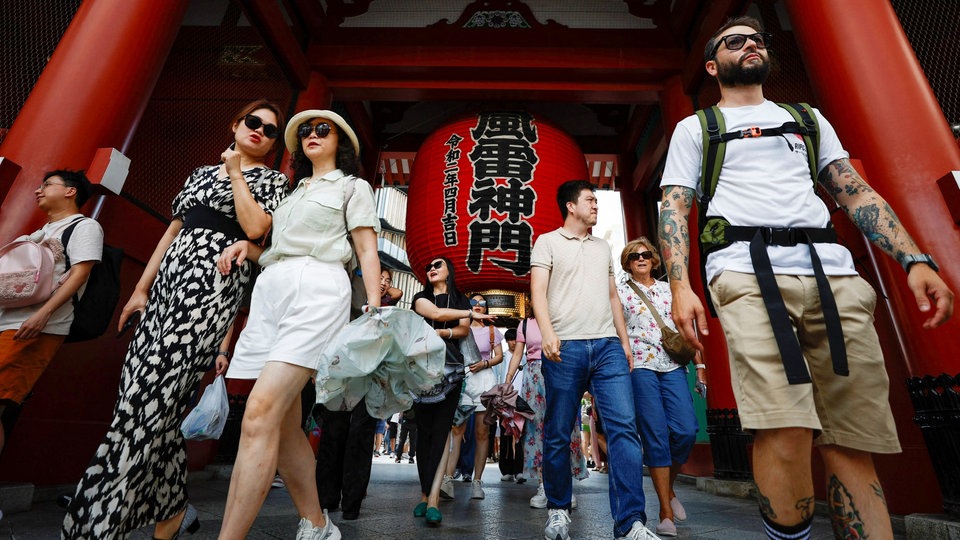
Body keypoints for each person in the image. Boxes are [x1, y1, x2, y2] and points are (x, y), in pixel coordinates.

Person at [658, 16, 954, 540]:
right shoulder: (696, 127)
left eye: (757, 39)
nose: (750, 43)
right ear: (712, 65)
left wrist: (915, 259)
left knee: (851, 434)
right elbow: (675, 206)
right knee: (784, 424)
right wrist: (681, 287)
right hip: (746, 273)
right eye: (735, 40)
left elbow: (854, 191)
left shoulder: (807, 119)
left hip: (832, 275)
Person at [62, 100, 289, 540]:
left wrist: (238, 173)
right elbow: (172, 231)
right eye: (252, 121)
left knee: (147, 402)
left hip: (209, 296)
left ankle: (93, 523)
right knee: (141, 398)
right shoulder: (200, 174)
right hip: (164, 291)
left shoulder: (272, 180)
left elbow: (256, 227)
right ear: (236, 123)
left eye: (270, 130)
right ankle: (170, 512)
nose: (259, 130)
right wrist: (140, 289)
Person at [215, 109, 382, 539]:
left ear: (340, 142)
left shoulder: (352, 187)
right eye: (304, 130)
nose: (311, 135)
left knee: (259, 413)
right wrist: (245, 248)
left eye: (321, 129)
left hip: (318, 289)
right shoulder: (291, 193)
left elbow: (365, 249)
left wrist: (375, 308)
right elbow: (266, 240)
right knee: (284, 425)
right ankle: (318, 523)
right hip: (271, 290)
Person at [530, 179, 659, 540]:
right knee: (557, 432)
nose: (595, 206)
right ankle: (558, 510)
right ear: (571, 206)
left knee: (624, 431)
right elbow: (537, 291)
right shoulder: (548, 242)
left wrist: (625, 342)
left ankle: (631, 522)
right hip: (565, 347)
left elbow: (613, 297)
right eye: (590, 200)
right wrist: (548, 333)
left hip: (607, 348)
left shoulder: (603, 247)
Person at [0, 170, 102, 455]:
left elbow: (80, 273)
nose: (38, 190)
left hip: (35, 326)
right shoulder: (40, 232)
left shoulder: (84, 227)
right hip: (9, 321)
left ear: (70, 191)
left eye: (46, 185)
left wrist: (43, 314)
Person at [617, 238, 703, 537]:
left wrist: (700, 366)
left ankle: (669, 490)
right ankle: (664, 512)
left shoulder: (670, 290)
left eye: (645, 255)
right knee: (655, 434)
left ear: (654, 259)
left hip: (673, 365)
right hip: (639, 366)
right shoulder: (619, 290)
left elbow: (686, 329)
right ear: (627, 262)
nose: (640, 259)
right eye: (633, 256)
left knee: (685, 430)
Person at [410, 256, 494, 526]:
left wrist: (444, 334)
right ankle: (424, 495)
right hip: (421, 369)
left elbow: (461, 331)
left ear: (449, 271)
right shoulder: (420, 297)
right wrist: (470, 313)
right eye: (429, 267)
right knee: (423, 435)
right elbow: (435, 315)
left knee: (442, 432)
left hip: (452, 370)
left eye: (438, 265)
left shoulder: (459, 298)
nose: (432, 269)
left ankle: (434, 498)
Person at [503, 305, 589, 510]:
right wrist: (507, 380)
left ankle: (564, 487)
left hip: (561, 372)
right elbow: (517, 354)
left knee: (564, 427)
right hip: (533, 379)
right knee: (535, 431)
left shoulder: (563, 316)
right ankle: (543, 486)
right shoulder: (524, 324)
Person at [440, 293, 503, 501]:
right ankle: (448, 479)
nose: (478, 306)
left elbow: (499, 356)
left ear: (486, 307)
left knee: (482, 432)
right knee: (456, 430)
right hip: (463, 380)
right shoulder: (461, 326)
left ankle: (477, 481)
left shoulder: (492, 330)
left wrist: (484, 364)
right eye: (473, 302)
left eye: (482, 303)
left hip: (485, 381)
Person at [497, 328, 524, 483]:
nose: (515, 342)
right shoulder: (501, 359)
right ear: (507, 341)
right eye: (512, 340)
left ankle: (519, 470)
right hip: (505, 402)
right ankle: (506, 470)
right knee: (506, 436)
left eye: (517, 339)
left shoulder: (526, 358)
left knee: (521, 436)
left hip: (522, 401)